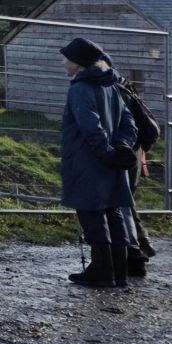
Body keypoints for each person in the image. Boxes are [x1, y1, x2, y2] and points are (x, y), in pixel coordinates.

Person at [57, 37, 138, 291]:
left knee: (92, 213)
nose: (63, 64)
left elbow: (90, 127)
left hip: (88, 161)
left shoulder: (80, 89)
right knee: (114, 213)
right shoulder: (111, 87)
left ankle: (101, 271)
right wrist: (122, 147)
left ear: (78, 63)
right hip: (113, 162)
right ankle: (119, 271)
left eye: (67, 59)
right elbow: (129, 124)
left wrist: (106, 153)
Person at [115, 72, 161, 277]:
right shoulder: (125, 88)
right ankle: (142, 245)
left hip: (124, 151)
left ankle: (134, 254)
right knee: (127, 201)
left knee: (121, 202)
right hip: (136, 149)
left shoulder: (112, 90)